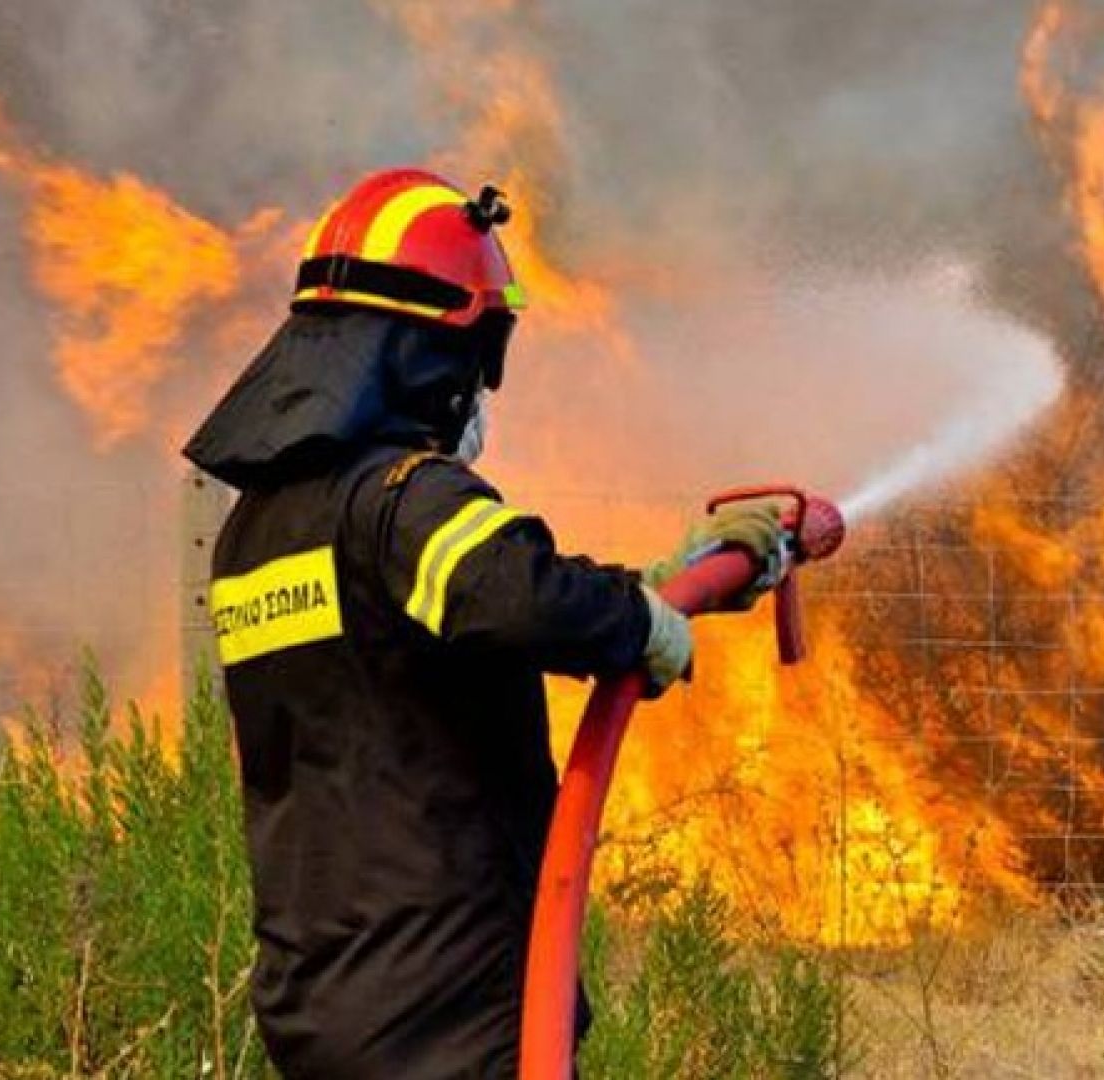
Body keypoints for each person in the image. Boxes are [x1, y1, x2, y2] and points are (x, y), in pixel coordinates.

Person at [182, 168, 784, 1078]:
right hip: (449, 997)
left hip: (321, 999)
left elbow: (447, 621)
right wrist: (642, 624)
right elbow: (518, 596)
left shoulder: (257, 531)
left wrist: (654, 584)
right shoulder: (403, 498)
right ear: (431, 355)